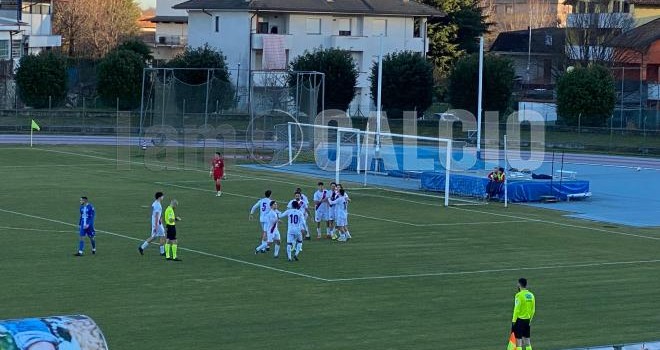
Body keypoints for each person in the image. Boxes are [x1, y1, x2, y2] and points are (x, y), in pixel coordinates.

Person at [138, 192, 166, 256]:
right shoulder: (157, 205)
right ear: (159, 197)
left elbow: (157, 214)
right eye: (162, 196)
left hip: (156, 222)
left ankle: (142, 247)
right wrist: (156, 226)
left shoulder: (156, 203)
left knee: (156, 236)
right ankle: (162, 252)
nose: (163, 197)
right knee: (160, 236)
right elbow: (156, 216)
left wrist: (160, 219)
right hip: (157, 224)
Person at [511, 278, 535, 350]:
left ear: (519, 285)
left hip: (519, 321)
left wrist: (513, 321)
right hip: (527, 320)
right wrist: (529, 320)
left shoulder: (519, 295)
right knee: (527, 341)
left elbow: (516, 309)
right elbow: (533, 310)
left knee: (519, 342)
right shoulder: (531, 295)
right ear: (526, 285)